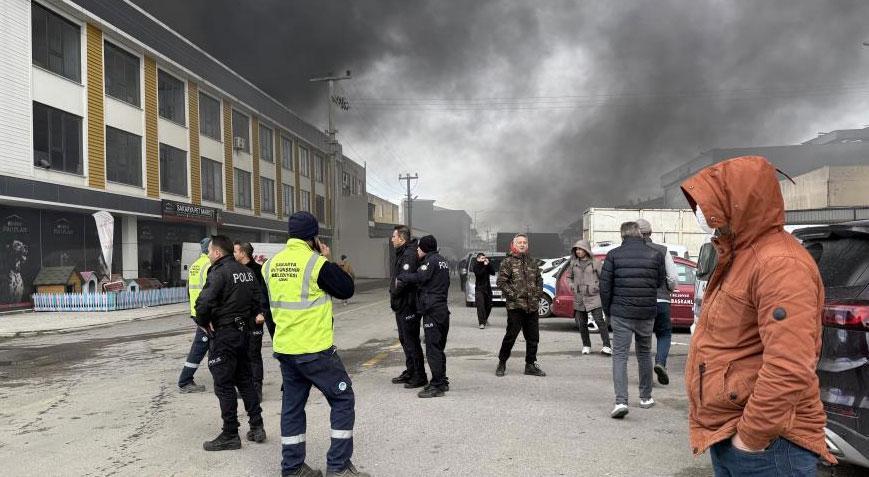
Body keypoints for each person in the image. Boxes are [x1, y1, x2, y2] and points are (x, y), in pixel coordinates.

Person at [681, 155, 836, 472]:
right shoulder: (742, 256)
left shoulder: (780, 264)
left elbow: (790, 364)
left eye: (712, 201)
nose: (704, 212)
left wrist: (751, 437)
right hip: (735, 434)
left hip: (769, 446)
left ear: (740, 201)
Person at [263, 212, 367, 477]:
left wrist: (280, 339)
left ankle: (293, 468)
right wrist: (327, 258)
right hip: (315, 351)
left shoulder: (269, 265)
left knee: (292, 408)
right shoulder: (317, 264)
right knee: (343, 398)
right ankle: (339, 467)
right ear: (314, 238)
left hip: (286, 351)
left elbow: (267, 309)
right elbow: (346, 288)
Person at [194, 235, 267, 451]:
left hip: (224, 335)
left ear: (217, 253)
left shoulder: (218, 272)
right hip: (244, 333)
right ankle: (257, 426)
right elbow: (257, 301)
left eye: (209, 251)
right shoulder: (246, 272)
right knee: (245, 380)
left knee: (223, 384)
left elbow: (203, 303)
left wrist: (203, 322)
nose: (208, 254)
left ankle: (230, 433)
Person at [599, 222, 665, 419]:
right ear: (640, 234)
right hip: (646, 312)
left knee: (620, 356)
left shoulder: (613, 255)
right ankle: (646, 397)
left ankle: (621, 401)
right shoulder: (655, 255)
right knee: (644, 353)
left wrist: (607, 311)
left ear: (622, 235)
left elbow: (605, 287)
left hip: (621, 313)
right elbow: (659, 282)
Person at [397, 235, 451, 398]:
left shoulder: (430, 261)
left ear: (425, 248)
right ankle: (442, 380)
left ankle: (437, 385)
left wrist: (402, 276)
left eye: (419, 248)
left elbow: (420, 277)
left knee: (433, 349)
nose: (417, 250)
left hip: (432, 311)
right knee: (438, 348)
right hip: (441, 309)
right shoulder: (442, 260)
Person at [495, 234, 546, 378]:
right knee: (510, 336)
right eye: (520, 242)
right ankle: (502, 362)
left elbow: (539, 280)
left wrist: (537, 295)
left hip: (532, 307)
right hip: (515, 307)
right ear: (514, 245)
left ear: (527, 245)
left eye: (525, 242)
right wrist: (514, 296)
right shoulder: (508, 262)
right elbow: (501, 282)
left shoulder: (532, 262)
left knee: (533, 338)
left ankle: (530, 365)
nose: (522, 245)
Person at [635, 219, 677, 385]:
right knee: (664, 333)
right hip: (661, 300)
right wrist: (669, 290)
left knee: (642, 339)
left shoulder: (629, 252)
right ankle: (660, 362)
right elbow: (672, 277)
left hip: (640, 301)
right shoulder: (663, 250)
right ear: (650, 233)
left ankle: (644, 377)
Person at [388, 225, 427, 389]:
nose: (392, 239)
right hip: (402, 304)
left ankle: (419, 375)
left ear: (402, 239)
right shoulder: (403, 252)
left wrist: (394, 293)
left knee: (411, 341)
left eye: (394, 236)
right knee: (405, 339)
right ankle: (411, 371)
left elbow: (404, 281)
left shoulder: (409, 255)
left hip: (408, 304)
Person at [234, 240, 271, 402]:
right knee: (241, 355)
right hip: (239, 320)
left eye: (235, 251)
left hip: (254, 319)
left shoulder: (258, 270)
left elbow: (265, 294)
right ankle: (245, 388)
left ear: (243, 253)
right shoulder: (235, 270)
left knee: (253, 354)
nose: (233, 254)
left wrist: (262, 313)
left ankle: (257, 390)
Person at [177, 237, 212, 393]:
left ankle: (223, 378)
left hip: (198, 312)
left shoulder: (196, 265)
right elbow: (211, 293)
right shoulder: (209, 265)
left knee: (208, 345)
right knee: (200, 347)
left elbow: (189, 290)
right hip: (207, 315)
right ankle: (185, 381)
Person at [566, 239, 611, 356]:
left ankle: (607, 346)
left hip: (594, 296)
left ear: (586, 250)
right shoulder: (573, 263)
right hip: (579, 296)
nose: (578, 251)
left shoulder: (596, 262)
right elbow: (569, 277)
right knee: (582, 323)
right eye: (576, 249)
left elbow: (603, 278)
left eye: (580, 249)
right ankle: (586, 345)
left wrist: (596, 287)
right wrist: (571, 285)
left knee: (600, 321)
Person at [471, 252, 496, 329]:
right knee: (480, 306)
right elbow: (479, 274)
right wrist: (485, 266)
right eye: (482, 258)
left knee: (489, 305)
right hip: (479, 289)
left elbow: (493, 272)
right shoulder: (475, 266)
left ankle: (485, 319)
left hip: (488, 288)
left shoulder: (486, 265)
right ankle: (481, 323)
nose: (484, 259)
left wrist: (489, 264)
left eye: (484, 258)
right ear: (478, 259)